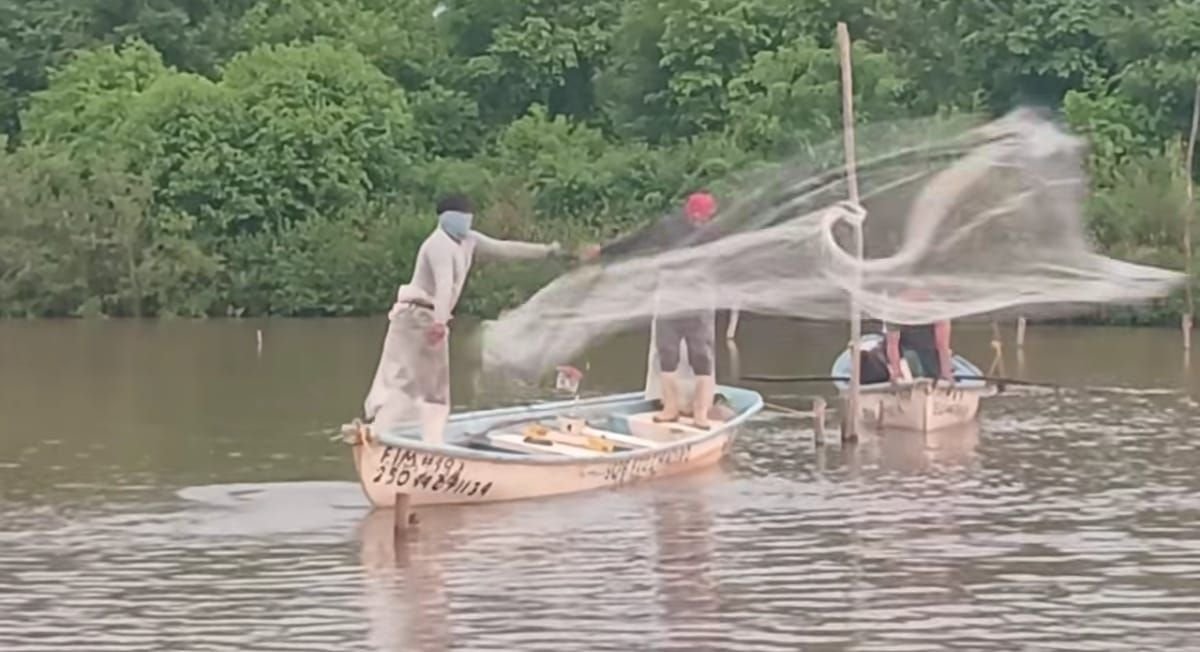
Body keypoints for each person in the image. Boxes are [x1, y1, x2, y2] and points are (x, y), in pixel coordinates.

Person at [362, 194, 563, 443]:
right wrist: (440, 322)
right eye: (461, 217)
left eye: (468, 218)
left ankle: (400, 435)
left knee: (423, 384)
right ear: (445, 218)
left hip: (431, 316)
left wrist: (546, 252)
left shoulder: (469, 240)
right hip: (417, 317)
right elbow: (444, 283)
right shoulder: (437, 245)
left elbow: (504, 248)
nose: (465, 223)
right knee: (414, 381)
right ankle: (405, 438)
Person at [581, 191, 723, 428]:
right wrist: (605, 250)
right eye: (696, 217)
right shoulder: (668, 227)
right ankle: (670, 408)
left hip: (700, 302)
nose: (700, 222)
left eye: (704, 218)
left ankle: (701, 413)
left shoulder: (716, 232)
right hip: (670, 298)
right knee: (667, 354)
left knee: (702, 356)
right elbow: (637, 239)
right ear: (688, 213)